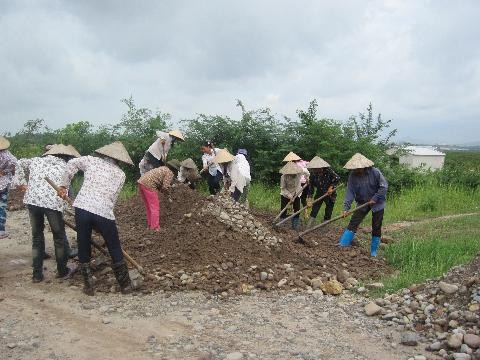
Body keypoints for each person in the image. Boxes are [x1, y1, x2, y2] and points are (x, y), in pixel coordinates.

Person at [58, 141, 135, 295]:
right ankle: (125, 285)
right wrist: (103, 221)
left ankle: (88, 286)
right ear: (119, 160)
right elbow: (113, 198)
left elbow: (71, 163)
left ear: (103, 154)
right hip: (104, 212)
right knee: (114, 246)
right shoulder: (121, 174)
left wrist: (63, 186)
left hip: (83, 208)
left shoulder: (91, 160)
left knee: (83, 243)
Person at [13, 144, 80, 282]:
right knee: (59, 237)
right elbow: (66, 187)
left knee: (37, 237)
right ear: (65, 156)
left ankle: (37, 275)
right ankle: (62, 271)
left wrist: (21, 183)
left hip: (33, 201)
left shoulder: (36, 160)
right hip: (52, 205)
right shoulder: (66, 166)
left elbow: (18, 162)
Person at [338, 153, 388, 257]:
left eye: (358, 168)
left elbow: (384, 187)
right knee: (353, 222)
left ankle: (373, 252)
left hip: (378, 203)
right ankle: (343, 244)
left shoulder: (375, 172)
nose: (357, 170)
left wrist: (375, 198)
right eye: (355, 168)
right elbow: (350, 192)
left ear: (364, 166)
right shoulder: (352, 175)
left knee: (376, 226)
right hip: (362, 202)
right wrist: (346, 208)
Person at [137, 163, 175, 231]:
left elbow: (160, 183)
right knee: (155, 207)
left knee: (148, 206)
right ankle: (155, 227)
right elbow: (165, 187)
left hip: (141, 182)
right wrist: (168, 195)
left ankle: (150, 225)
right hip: (149, 185)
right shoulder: (170, 173)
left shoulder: (163, 168)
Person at [306, 156, 340, 228]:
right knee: (315, 208)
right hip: (320, 192)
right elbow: (311, 187)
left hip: (330, 193)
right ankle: (309, 226)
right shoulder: (313, 174)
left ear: (322, 166)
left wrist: (331, 188)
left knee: (328, 210)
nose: (318, 170)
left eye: (319, 168)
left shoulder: (329, 171)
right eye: (315, 169)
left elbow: (337, 179)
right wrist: (309, 199)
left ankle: (325, 226)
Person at [0, 136, 17, 239]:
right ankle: (1, 231)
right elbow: (16, 164)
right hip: (3, 182)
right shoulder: (7, 155)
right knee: (1, 206)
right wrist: (7, 171)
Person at [279, 161, 303, 230]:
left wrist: (307, 178)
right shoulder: (283, 177)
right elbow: (283, 189)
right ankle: (282, 224)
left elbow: (307, 172)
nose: (293, 174)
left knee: (297, 209)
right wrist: (290, 196)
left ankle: (295, 226)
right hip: (286, 194)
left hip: (297, 193)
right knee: (284, 210)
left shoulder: (299, 173)